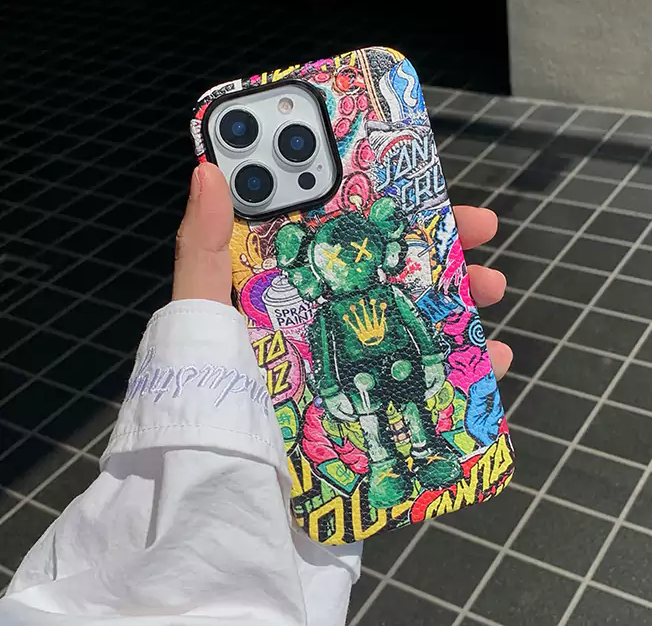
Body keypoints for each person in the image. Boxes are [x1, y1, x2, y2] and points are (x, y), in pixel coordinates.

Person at [0, 162, 512, 626]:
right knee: (375, 426)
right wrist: (327, 390)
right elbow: (325, 355)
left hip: (398, 369)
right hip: (360, 384)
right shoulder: (332, 314)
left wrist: (430, 359)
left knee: (414, 413)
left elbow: (416, 329)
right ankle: (387, 467)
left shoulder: (389, 294)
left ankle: (427, 452)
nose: (353, 260)